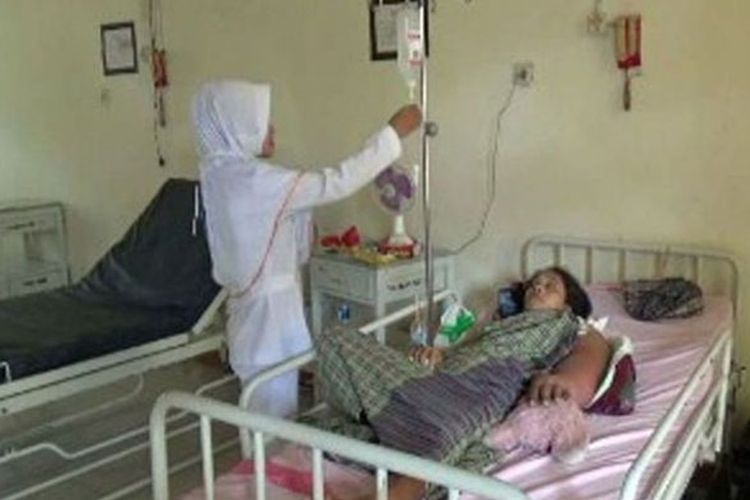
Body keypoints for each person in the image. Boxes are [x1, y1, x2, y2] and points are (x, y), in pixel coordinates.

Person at [194, 80, 422, 417]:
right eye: (260, 122)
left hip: (254, 320)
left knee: (264, 420)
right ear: (237, 127)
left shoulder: (222, 175)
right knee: (271, 424)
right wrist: (392, 134)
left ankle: (273, 451)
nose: (271, 129)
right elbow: (336, 181)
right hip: (269, 326)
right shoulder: (254, 182)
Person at [321, 266, 611, 500]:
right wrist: (440, 355)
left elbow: (591, 357)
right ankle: (385, 422)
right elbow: (467, 349)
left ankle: (404, 488)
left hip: (488, 385)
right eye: (534, 283)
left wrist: (563, 381)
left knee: (445, 427)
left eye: (550, 286)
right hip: (435, 378)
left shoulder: (568, 324)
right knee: (336, 339)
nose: (538, 287)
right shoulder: (501, 323)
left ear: (568, 304)